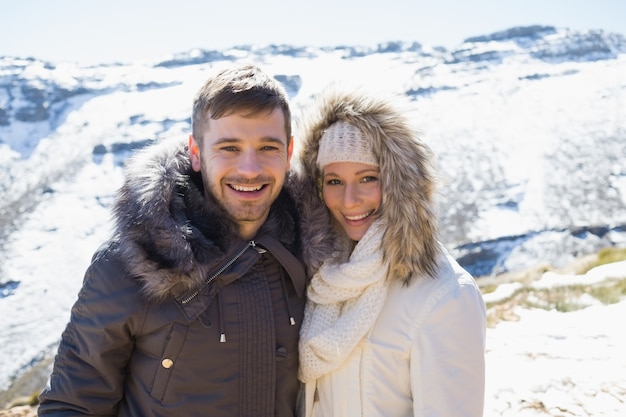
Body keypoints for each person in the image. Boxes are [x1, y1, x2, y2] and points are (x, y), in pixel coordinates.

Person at [38, 63, 311, 417]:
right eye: (229, 147)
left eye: (267, 148)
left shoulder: (312, 255)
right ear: (196, 153)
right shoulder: (133, 263)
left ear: (288, 153)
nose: (249, 169)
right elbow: (72, 406)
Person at [295, 84, 487, 417]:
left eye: (368, 178)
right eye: (334, 181)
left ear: (401, 184)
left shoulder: (445, 295)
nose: (349, 200)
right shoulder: (320, 280)